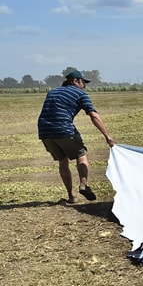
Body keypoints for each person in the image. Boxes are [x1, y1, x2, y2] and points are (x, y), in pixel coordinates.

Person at [37, 70, 116, 204]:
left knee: (63, 161)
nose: (84, 85)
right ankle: (83, 184)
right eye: (83, 82)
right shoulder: (81, 94)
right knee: (81, 155)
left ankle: (71, 196)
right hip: (64, 129)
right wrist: (107, 136)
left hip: (45, 130)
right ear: (75, 81)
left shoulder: (52, 92)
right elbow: (93, 115)